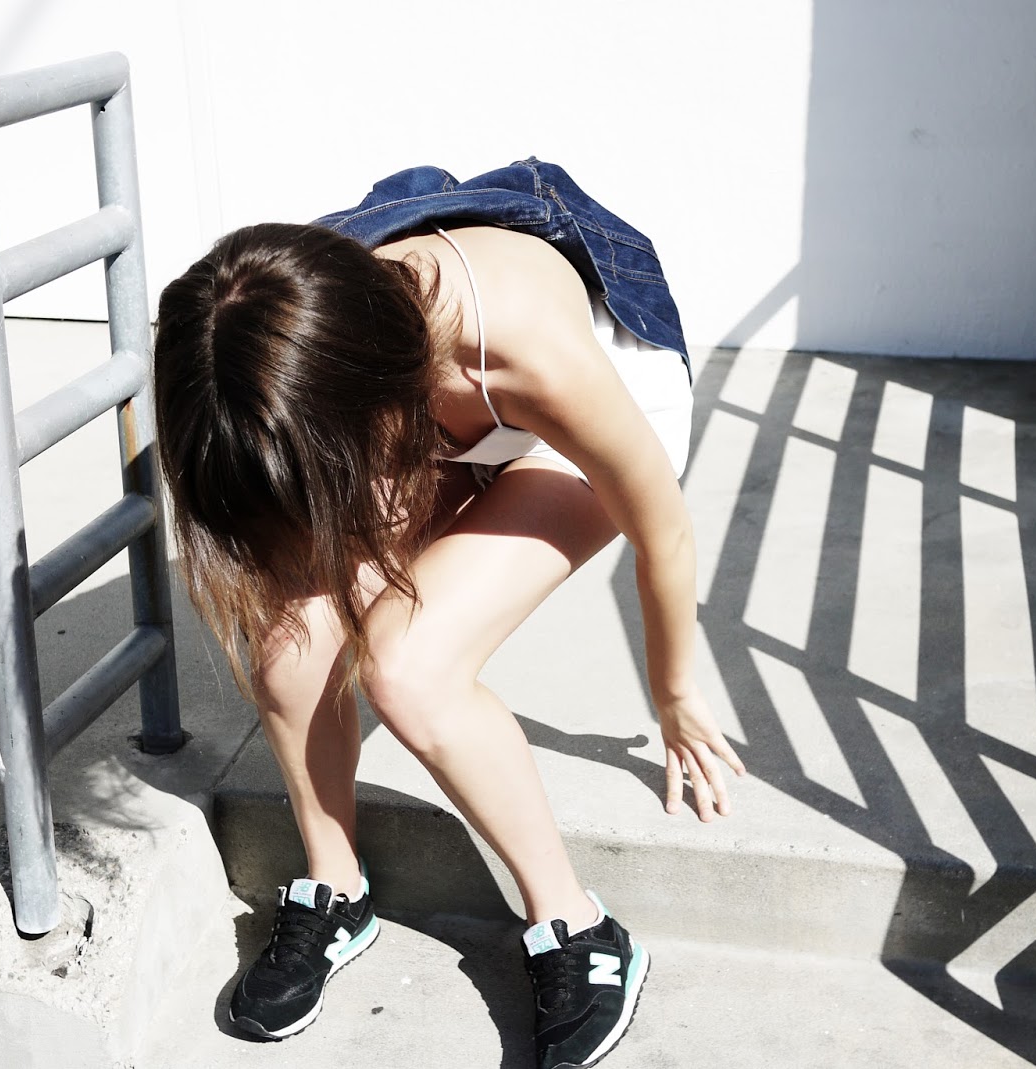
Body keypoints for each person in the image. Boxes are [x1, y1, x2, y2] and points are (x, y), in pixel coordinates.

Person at [151, 158, 746, 1069]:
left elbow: (661, 527)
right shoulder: (295, 331)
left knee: (409, 667)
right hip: (416, 411)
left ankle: (577, 925)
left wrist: (674, 692)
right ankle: (337, 885)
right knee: (289, 647)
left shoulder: (532, 350)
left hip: (582, 413)